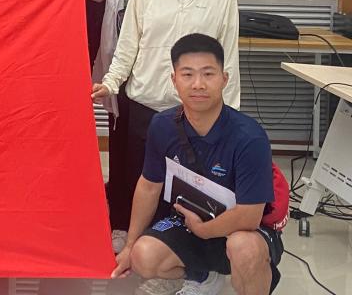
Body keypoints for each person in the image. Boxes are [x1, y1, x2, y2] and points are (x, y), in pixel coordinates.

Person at [93, 0, 239, 293]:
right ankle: (147, 257)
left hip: (196, 110)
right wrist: (111, 82)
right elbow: (128, 44)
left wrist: (231, 118)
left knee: (188, 194)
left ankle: (188, 266)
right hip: (145, 103)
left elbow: (228, 58)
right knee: (144, 186)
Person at [112, 34, 282, 295]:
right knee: (142, 256)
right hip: (189, 221)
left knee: (244, 249)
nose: (198, 84)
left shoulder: (250, 137)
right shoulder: (162, 125)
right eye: (188, 74)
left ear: (224, 79)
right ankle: (201, 275)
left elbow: (249, 216)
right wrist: (129, 244)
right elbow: (149, 186)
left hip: (242, 229)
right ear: (174, 80)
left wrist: (204, 230)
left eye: (208, 74)